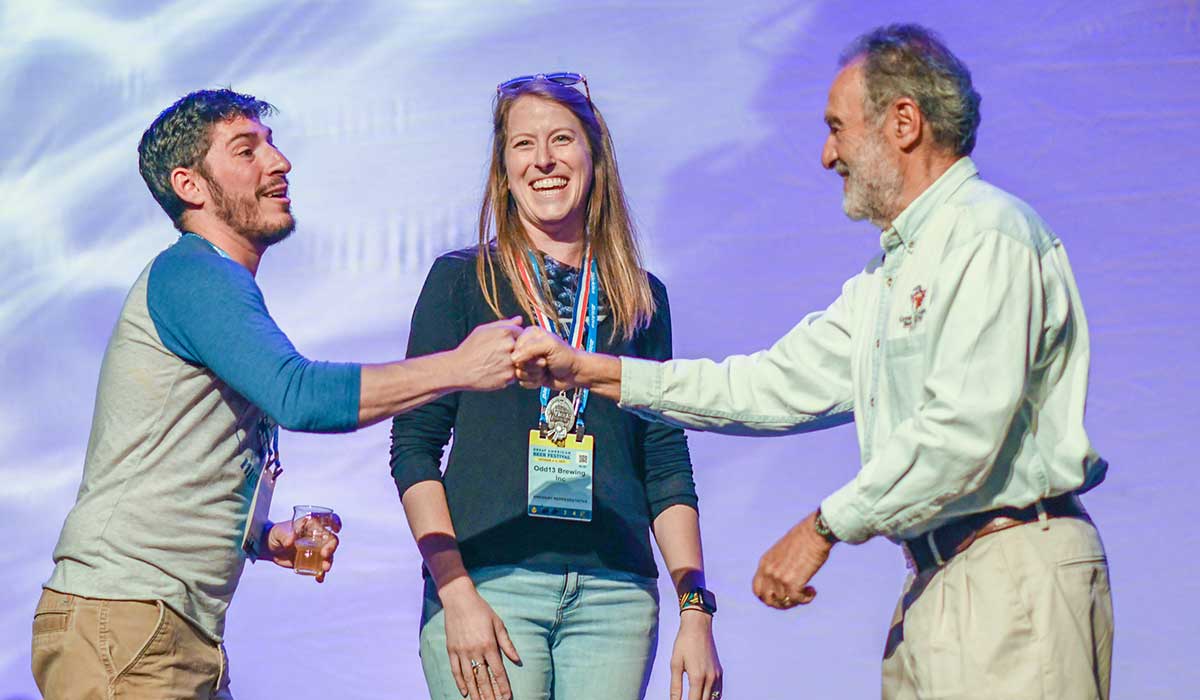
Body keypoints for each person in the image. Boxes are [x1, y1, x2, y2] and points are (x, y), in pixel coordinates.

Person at [514, 25, 1113, 700]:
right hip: (937, 576)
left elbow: (962, 432)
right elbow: (766, 386)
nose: (827, 155)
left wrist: (825, 527)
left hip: (1011, 575)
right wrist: (594, 371)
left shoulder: (989, 235)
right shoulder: (893, 271)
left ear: (905, 123)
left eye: (837, 128)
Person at [31, 88, 523, 700]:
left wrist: (262, 536)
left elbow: (176, 458)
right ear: (190, 185)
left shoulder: (213, 285)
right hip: (129, 622)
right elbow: (300, 394)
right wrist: (457, 366)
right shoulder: (194, 273)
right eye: (247, 150)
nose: (279, 161)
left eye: (272, 143)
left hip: (159, 627)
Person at [391, 73, 722, 700]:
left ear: (594, 158)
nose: (543, 160)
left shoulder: (641, 298)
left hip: (616, 598)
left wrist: (695, 609)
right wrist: (454, 591)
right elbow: (413, 445)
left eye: (562, 139)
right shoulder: (463, 281)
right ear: (504, 166)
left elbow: (665, 462)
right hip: (489, 584)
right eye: (523, 145)